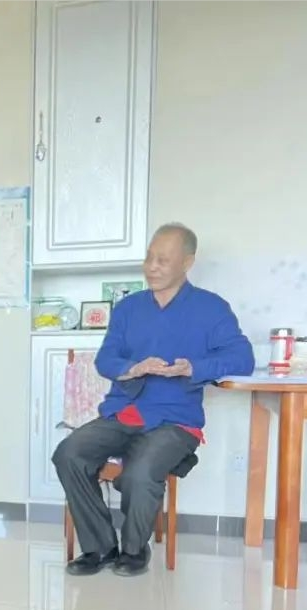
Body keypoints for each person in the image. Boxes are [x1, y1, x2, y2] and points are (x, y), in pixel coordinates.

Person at [53, 223, 254, 577]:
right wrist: (133, 368)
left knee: (141, 472)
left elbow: (243, 359)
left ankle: (133, 551)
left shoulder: (211, 308)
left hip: (176, 421)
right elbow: (106, 359)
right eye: (149, 258)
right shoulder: (128, 308)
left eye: (163, 260)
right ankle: (100, 547)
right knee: (69, 453)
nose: (152, 267)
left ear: (187, 263)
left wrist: (194, 367)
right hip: (124, 413)